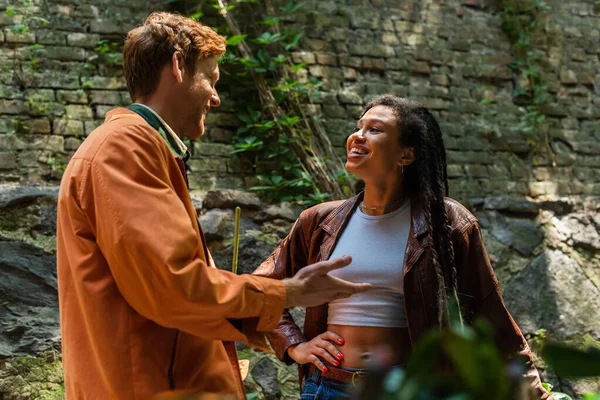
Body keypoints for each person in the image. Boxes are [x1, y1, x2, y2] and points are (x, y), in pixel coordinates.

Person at [56, 12, 370, 400]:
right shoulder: (126, 147)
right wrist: (289, 292)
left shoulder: (140, 146)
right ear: (177, 66)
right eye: (211, 79)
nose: (216, 97)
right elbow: (174, 284)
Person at [253, 95, 552, 399]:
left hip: (408, 391)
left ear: (406, 156)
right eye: (359, 127)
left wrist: (536, 394)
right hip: (327, 388)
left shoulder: (445, 221)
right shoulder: (319, 221)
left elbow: (492, 316)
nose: (358, 136)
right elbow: (262, 286)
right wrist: (295, 346)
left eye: (375, 129)